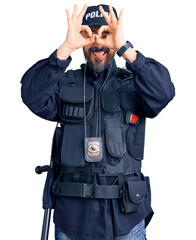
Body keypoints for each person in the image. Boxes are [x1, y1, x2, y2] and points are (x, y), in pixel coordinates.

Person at [21, 4, 175, 240]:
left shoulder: (135, 83)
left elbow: (164, 92)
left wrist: (125, 49)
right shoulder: (66, 83)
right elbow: (31, 95)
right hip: (72, 217)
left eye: (105, 34)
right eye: (90, 33)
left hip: (125, 218)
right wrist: (66, 48)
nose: (98, 43)